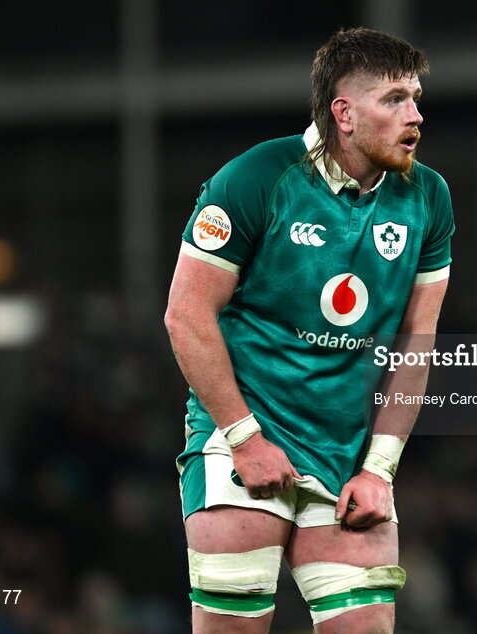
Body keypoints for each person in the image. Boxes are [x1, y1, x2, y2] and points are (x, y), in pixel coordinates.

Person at [164, 27, 453, 633]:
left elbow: (417, 341)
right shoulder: (255, 178)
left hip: (347, 458)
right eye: (396, 99)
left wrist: (379, 469)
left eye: (416, 97)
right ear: (343, 113)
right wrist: (244, 437)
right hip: (242, 442)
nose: (416, 115)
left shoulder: (428, 197)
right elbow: (186, 315)